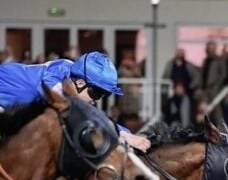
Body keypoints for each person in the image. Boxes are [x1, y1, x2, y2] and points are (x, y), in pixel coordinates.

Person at [0, 51, 149, 151]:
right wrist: (124, 136)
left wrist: (126, 133)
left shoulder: (71, 72)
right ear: (80, 83)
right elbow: (85, 120)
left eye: (105, 94)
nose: (97, 100)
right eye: (96, 93)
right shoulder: (54, 86)